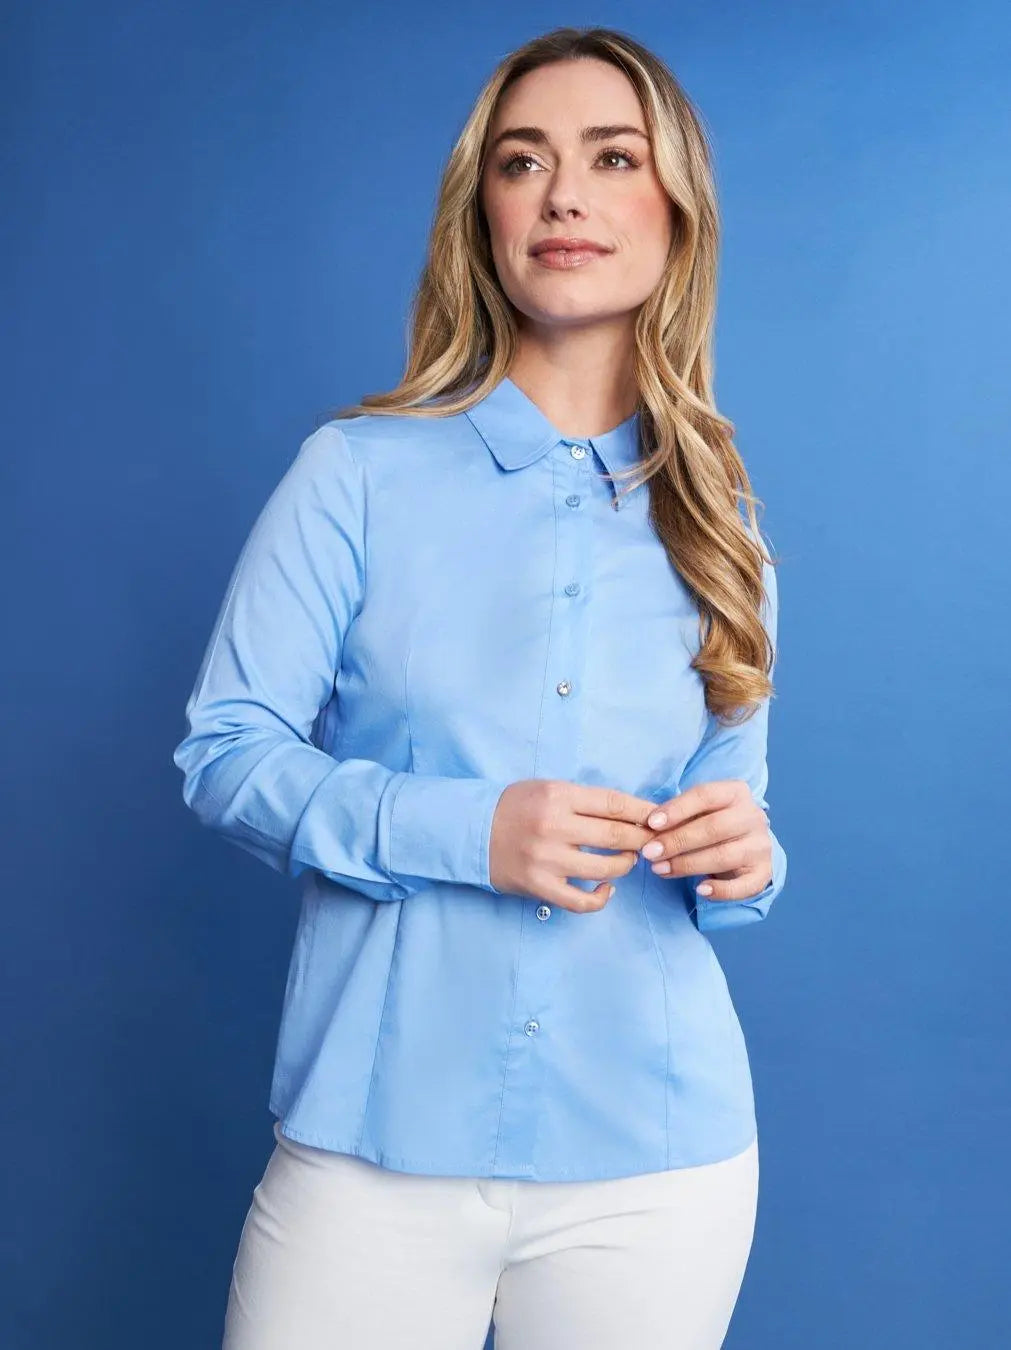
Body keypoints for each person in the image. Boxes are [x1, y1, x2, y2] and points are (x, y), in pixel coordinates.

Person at [172, 24, 789, 1350]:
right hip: (375, 1145)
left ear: (676, 210)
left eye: (611, 157)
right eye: (523, 162)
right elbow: (225, 751)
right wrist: (471, 831)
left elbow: (731, 827)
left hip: (658, 1166)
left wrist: (748, 858)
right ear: (484, 215)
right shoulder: (355, 474)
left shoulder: (719, 516)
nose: (564, 195)